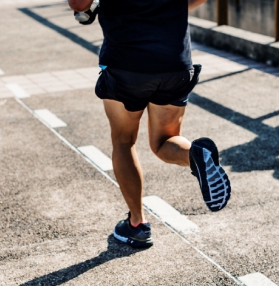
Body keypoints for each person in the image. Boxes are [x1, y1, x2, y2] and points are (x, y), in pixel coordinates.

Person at [68, 0, 231, 248]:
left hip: (127, 64)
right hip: (174, 63)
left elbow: (79, 3)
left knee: (124, 141)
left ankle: (137, 225)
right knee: (164, 141)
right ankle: (195, 156)